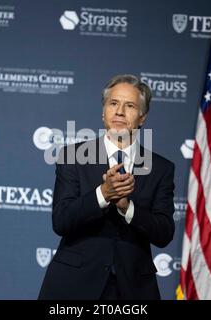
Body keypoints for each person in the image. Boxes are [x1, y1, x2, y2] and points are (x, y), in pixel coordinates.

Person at [38, 74, 175, 300]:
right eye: (113, 103)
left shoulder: (161, 168)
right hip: (73, 286)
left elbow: (164, 233)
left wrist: (127, 207)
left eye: (129, 105)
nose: (119, 111)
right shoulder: (72, 157)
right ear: (103, 113)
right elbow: (61, 221)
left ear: (142, 117)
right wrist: (103, 194)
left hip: (132, 290)